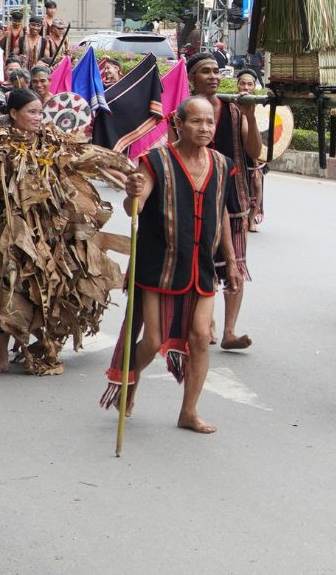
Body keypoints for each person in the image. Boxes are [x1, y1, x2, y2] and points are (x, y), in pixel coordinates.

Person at [0, 88, 130, 374]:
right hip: (10, 236)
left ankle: (34, 344)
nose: (37, 118)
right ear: (13, 114)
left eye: (40, 112)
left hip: (49, 236)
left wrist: (118, 172)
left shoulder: (52, 144)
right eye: (31, 112)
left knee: (46, 292)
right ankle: (3, 354)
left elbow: (82, 165)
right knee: (4, 288)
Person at [101, 97, 240, 433]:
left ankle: (188, 412)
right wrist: (132, 192)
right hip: (159, 265)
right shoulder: (155, 161)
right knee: (153, 340)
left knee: (201, 338)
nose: (204, 128)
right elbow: (135, 206)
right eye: (196, 121)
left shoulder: (222, 164)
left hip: (201, 266)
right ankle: (129, 383)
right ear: (178, 123)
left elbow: (221, 210)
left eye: (209, 122)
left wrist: (231, 260)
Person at [185, 51, 262, 351]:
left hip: (233, 197)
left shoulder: (234, 111)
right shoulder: (184, 112)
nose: (214, 77)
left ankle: (229, 330)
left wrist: (251, 117)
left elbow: (254, 151)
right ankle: (207, 323)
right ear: (192, 78)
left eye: (217, 71)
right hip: (196, 196)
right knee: (200, 263)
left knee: (236, 264)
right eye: (206, 71)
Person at [235, 68, 266, 232]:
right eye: (242, 84)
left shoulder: (260, 105)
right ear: (237, 85)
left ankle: (252, 219)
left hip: (254, 153)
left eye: (249, 84)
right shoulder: (232, 104)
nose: (246, 87)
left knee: (257, 185)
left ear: (254, 86)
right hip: (236, 151)